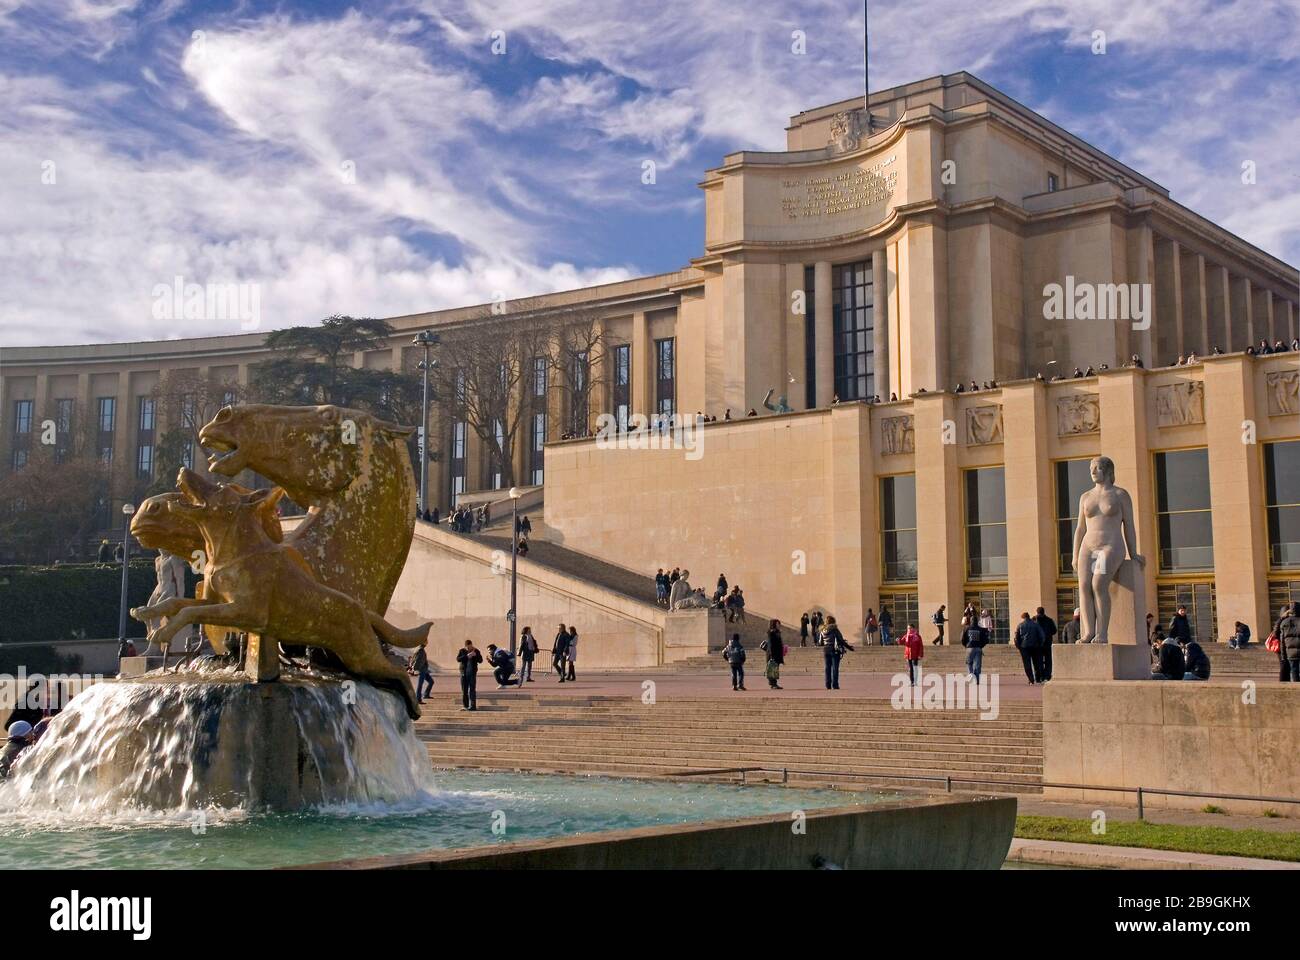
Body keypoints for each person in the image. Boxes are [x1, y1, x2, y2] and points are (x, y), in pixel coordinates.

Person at [821, 616, 853, 690]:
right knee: (835, 668)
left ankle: (827, 684)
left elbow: (820, 642)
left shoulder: (823, 630)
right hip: (834, 649)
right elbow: (841, 640)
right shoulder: (834, 630)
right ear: (833, 621)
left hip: (826, 650)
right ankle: (835, 685)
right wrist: (849, 647)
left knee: (827, 668)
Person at [1014, 612, 1045, 684]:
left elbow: (1016, 637)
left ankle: (1031, 679)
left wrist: (1019, 646)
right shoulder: (1036, 625)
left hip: (1024, 647)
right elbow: (1042, 636)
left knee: (1027, 664)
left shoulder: (1020, 625)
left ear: (1023, 617)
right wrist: (1040, 644)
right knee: (1036, 663)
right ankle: (1038, 678)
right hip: (1035, 646)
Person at [962, 616, 990, 682]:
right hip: (978, 648)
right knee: (978, 664)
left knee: (969, 662)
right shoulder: (981, 629)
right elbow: (986, 640)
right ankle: (977, 680)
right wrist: (981, 646)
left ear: (971, 621)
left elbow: (963, 639)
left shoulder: (967, 629)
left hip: (970, 648)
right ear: (977, 621)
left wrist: (966, 645)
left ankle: (971, 674)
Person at [456, 640, 483, 710]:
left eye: (469, 647)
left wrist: (475, 655)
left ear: (471, 645)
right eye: (467, 648)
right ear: (465, 646)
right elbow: (458, 659)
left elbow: (480, 660)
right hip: (463, 673)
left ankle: (473, 706)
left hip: (472, 674)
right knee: (464, 690)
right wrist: (467, 656)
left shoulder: (476, 651)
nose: (468, 649)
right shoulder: (462, 651)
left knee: (472, 690)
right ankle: (465, 706)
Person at [1034, 606, 1058, 681]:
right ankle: (1047, 675)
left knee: (1039, 660)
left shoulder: (1033, 620)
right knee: (1048, 660)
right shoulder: (1049, 620)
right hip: (1047, 643)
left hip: (1038, 644)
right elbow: (1054, 631)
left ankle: (1040, 676)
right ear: (1044, 612)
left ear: (1037, 612)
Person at [1278, 602, 1300, 682]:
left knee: (1294, 672)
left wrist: (1283, 656)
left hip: (1290, 653)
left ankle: (1297, 689)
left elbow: (1282, 641)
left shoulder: (1284, 622)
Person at [761, 620, 784, 690]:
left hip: (776, 653)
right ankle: (772, 683)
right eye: (777, 624)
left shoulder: (777, 632)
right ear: (774, 624)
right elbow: (771, 644)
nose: (779, 625)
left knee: (775, 669)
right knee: (772, 668)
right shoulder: (771, 633)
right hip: (773, 654)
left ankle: (774, 683)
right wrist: (771, 655)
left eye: (779, 624)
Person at [409, 639, 434, 704]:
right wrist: (414, 669)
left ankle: (426, 694)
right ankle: (418, 699)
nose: (427, 643)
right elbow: (417, 660)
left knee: (431, 681)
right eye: (426, 641)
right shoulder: (420, 650)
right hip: (422, 670)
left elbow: (414, 659)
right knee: (420, 684)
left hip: (424, 670)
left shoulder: (420, 649)